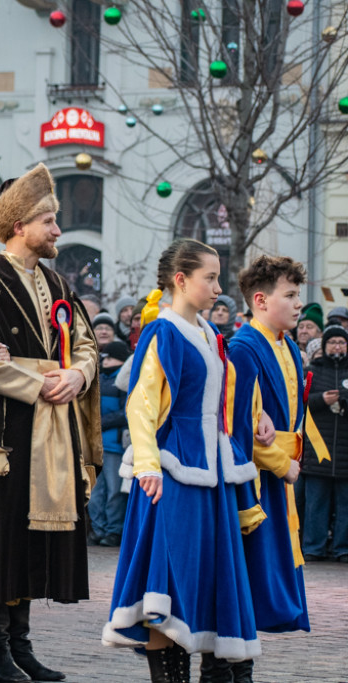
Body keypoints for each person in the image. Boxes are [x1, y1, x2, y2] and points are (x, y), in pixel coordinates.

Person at [0, 163, 102, 683]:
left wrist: (78, 377)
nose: (57, 231)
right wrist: (42, 382)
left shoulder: (60, 283)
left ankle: (21, 644)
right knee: (0, 538)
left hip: (54, 430)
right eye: (48, 221)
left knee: (30, 540)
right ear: (20, 226)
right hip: (6, 433)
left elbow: (86, 347)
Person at [102, 239, 262, 683]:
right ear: (180, 279)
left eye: (216, 277)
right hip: (176, 471)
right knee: (170, 581)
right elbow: (142, 404)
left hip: (211, 472)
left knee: (198, 581)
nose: (217, 287)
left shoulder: (210, 334)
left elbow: (222, 399)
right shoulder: (164, 331)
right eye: (209, 278)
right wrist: (149, 466)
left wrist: (257, 416)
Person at [229, 255, 311, 665]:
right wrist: (281, 462)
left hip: (280, 476)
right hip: (258, 480)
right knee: (246, 572)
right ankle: (226, 664)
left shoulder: (287, 346)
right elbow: (239, 423)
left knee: (264, 570)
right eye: (291, 295)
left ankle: (239, 661)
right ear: (260, 300)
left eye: (299, 295)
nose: (300, 304)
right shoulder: (244, 348)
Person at [302, 325, 348, 563]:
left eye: (341, 342)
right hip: (317, 452)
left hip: (345, 452)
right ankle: (313, 547)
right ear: (324, 346)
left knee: (345, 505)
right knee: (316, 504)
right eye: (332, 342)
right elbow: (300, 401)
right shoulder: (312, 372)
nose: (337, 346)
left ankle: (342, 548)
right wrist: (321, 399)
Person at [88, 340, 130, 547]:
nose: (106, 360)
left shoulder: (124, 381)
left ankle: (114, 530)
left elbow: (127, 412)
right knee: (96, 490)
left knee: (113, 490)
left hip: (114, 445)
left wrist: (100, 422)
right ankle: (98, 529)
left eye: (111, 357)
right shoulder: (99, 379)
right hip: (97, 444)